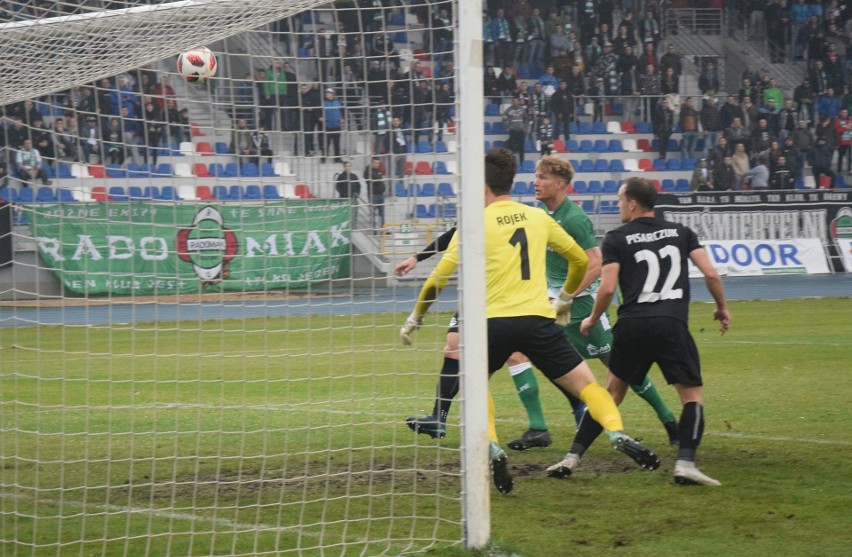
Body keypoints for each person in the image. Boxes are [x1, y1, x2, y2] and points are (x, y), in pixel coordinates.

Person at [400, 148, 660, 493]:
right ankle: (615, 431)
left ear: (483, 186)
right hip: (538, 319)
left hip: (490, 323)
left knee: (476, 388)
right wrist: (565, 299)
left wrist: (416, 317)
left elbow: (436, 281)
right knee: (588, 386)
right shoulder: (537, 218)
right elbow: (581, 262)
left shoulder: (474, 224)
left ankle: (492, 447)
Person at [547, 177, 731, 486]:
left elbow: (606, 288)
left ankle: (572, 457)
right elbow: (710, 273)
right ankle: (685, 463)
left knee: (611, 394)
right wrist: (722, 307)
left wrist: (592, 318)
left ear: (633, 203)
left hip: (632, 326)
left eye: (620, 200)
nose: (618, 205)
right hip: (671, 324)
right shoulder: (682, 233)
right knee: (691, 397)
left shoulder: (618, 237)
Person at [532, 156, 680, 447]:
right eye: (536, 176)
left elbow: (595, 264)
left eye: (543, 178)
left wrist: (566, 296)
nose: (535, 182)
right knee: (536, 358)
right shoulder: (542, 214)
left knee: (621, 370)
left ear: (560, 184)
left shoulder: (574, 219)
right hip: (553, 304)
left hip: (582, 307)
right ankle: (553, 421)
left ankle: (669, 421)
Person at [320, 88, 343, 162]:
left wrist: (343, 118)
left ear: (332, 94)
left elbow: (343, 110)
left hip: (336, 126)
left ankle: (337, 158)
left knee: (337, 144)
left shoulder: (338, 102)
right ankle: (324, 158)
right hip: (328, 126)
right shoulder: (324, 103)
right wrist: (320, 117)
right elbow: (320, 112)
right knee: (326, 143)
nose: (326, 95)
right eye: (326, 94)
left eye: (328, 93)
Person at [364, 157, 386, 231]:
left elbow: (377, 179)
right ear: (371, 163)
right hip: (373, 195)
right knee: (373, 213)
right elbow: (371, 180)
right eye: (376, 163)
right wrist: (379, 179)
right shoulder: (367, 171)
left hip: (380, 195)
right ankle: (373, 229)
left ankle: (383, 229)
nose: (377, 165)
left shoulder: (377, 170)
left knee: (382, 213)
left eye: (378, 163)